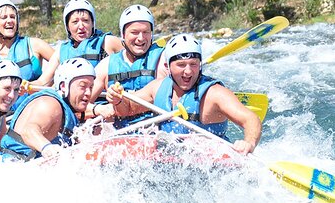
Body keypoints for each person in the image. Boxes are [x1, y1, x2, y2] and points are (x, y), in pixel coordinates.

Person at [106, 34, 262, 155]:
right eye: (181, 65)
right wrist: (117, 100)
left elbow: (250, 119)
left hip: (208, 164)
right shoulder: (157, 87)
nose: (188, 71)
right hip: (170, 160)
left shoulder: (214, 94)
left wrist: (249, 143)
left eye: (193, 64)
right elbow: (126, 111)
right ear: (167, 66)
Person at [0, 57, 95, 161]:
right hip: (11, 165)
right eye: (82, 86)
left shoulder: (68, 109)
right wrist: (46, 148)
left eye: (91, 87)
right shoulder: (50, 104)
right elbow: (28, 131)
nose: (88, 93)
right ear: (63, 86)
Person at [89, 4, 168, 125]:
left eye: (146, 32)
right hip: (118, 133)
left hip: (155, 129)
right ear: (123, 35)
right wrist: (98, 109)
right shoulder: (106, 65)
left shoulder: (163, 60)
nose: (141, 38)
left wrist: (124, 102)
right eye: (135, 32)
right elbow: (79, 105)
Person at [0, 0, 57, 90]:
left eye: (12, 17)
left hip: (36, 101)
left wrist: (42, 82)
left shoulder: (34, 45)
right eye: (4, 17)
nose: (9, 21)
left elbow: (63, 63)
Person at [47, 0, 123, 69]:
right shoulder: (61, 52)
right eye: (75, 22)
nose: (81, 26)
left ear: (92, 23)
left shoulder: (107, 42)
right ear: (67, 27)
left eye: (85, 20)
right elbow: (44, 81)